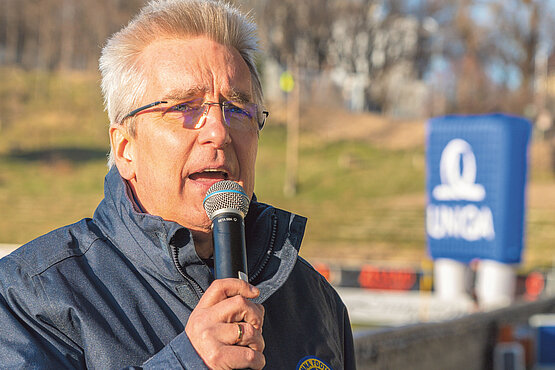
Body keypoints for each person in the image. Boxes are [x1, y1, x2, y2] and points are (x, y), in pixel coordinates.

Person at [0, 0, 355, 369]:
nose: (219, 132)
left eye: (237, 109)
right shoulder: (30, 297)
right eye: (185, 107)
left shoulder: (317, 303)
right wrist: (189, 362)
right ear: (125, 149)